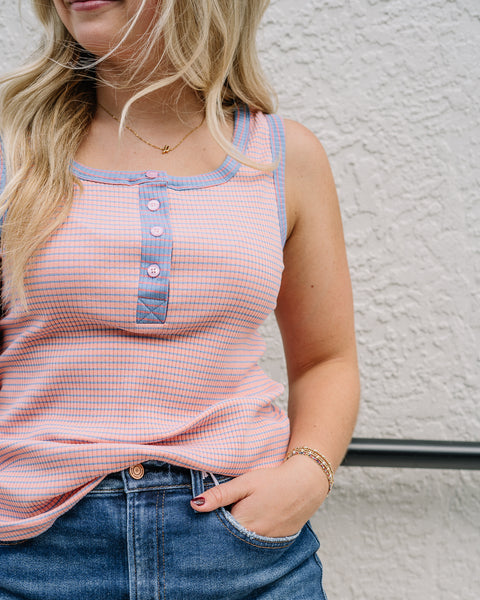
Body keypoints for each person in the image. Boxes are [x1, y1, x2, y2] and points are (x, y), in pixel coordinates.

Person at [0, 0, 360, 598]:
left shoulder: (283, 157)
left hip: (244, 553)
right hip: (34, 551)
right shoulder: (14, 149)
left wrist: (306, 476)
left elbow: (328, 359)